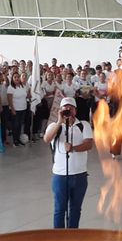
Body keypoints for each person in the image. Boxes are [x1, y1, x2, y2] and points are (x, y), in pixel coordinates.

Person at [43, 97, 94, 229]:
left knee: (76, 209)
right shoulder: (54, 126)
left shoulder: (83, 125)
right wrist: (60, 122)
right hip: (60, 176)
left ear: (75, 111)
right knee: (60, 209)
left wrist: (74, 148)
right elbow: (47, 139)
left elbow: (89, 144)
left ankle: (73, 235)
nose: (67, 110)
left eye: (70, 107)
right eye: (64, 108)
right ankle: (59, 238)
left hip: (80, 175)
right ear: (60, 110)